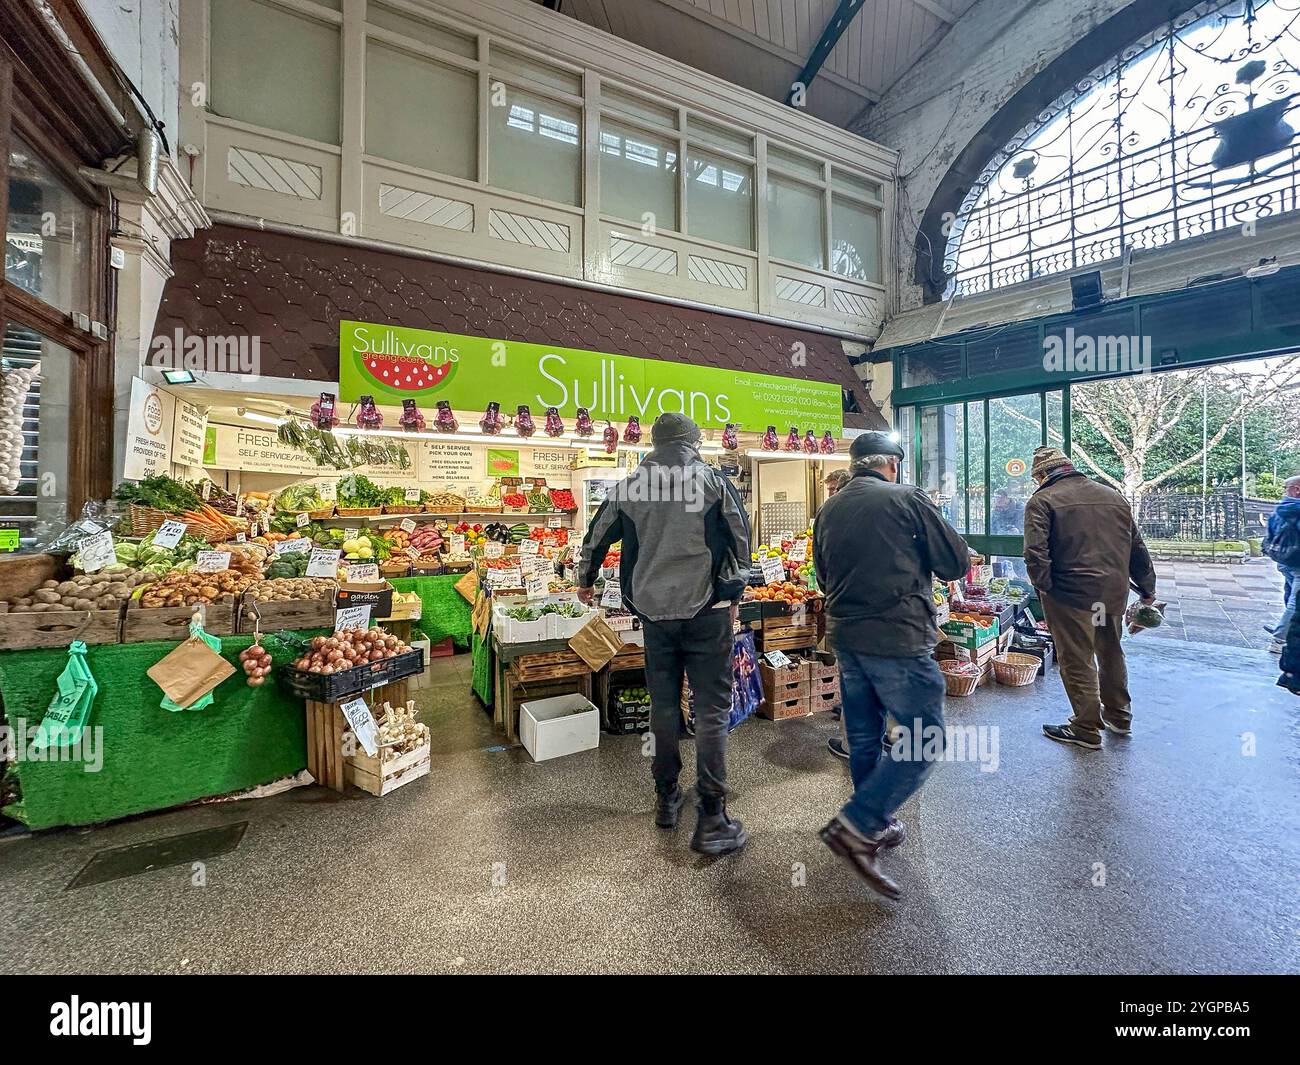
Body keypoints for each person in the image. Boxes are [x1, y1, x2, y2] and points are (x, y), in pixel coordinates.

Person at [577, 412, 751, 855]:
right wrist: (732, 593)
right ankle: (712, 815)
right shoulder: (713, 482)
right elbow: (740, 542)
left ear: (654, 444)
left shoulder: (631, 485)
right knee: (712, 710)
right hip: (707, 610)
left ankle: (666, 798)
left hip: (654, 614)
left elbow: (597, 535)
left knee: (664, 705)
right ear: (692, 443)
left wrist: (585, 578)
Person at [813, 431, 971, 899]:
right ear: (893, 465)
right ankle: (858, 824)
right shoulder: (907, 499)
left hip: (846, 635)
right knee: (925, 737)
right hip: (897, 637)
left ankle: (874, 822)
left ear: (856, 464)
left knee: (863, 735)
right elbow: (955, 563)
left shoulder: (830, 509)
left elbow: (823, 575)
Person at [1022, 446, 1157, 750]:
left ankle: (1086, 727)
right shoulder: (1112, 496)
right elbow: (1137, 547)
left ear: (1042, 475)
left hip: (1070, 596)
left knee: (1077, 658)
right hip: (1110, 594)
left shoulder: (1042, 500)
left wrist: (1043, 587)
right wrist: (1148, 588)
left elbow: (1035, 553)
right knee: (1110, 652)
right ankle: (1120, 717)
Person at [1262, 475, 1300, 654]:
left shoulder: (1281, 508)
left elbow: (1269, 534)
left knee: (1291, 596)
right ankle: (1279, 638)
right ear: (1297, 489)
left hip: (1283, 560)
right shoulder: (1297, 510)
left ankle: (1287, 629)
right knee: (1296, 603)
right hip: (1297, 562)